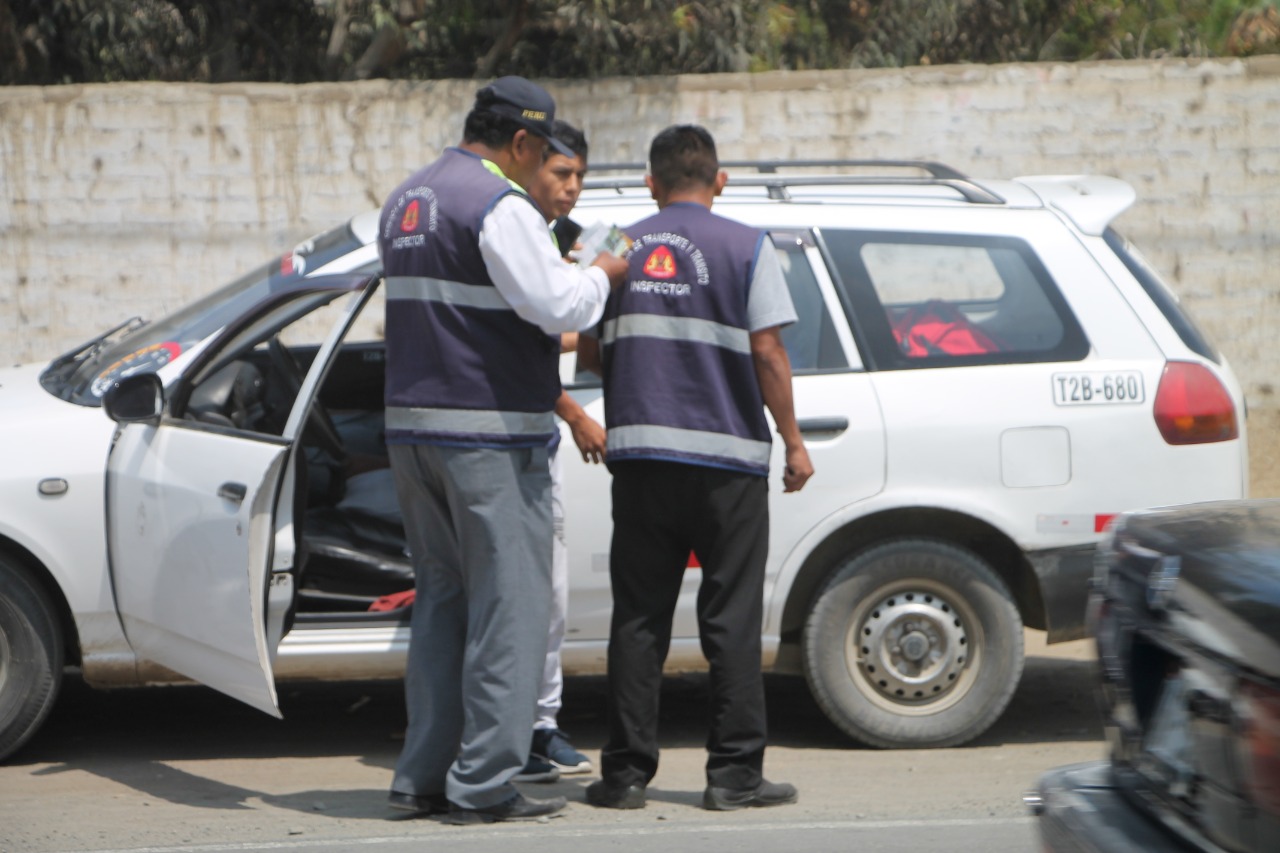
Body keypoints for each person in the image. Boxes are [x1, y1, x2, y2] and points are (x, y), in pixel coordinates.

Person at [378, 76, 627, 825]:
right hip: (487, 434)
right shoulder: (498, 202)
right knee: (509, 609)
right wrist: (605, 271)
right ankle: (484, 782)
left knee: (443, 604)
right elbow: (559, 304)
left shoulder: (408, 198)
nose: (544, 168)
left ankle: (421, 776)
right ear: (521, 143)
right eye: (542, 153)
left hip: (414, 432)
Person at [579, 124, 814, 812]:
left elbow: (588, 348)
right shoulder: (745, 244)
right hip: (728, 462)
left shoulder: (615, 244)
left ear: (650, 184)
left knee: (639, 618)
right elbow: (768, 350)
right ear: (719, 180)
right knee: (730, 618)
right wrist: (793, 440)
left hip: (643, 459)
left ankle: (623, 776)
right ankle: (734, 776)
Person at [516, 119, 600, 780]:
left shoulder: (573, 238)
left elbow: (566, 331)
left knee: (552, 592)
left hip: (543, 438)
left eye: (578, 177)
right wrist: (572, 410)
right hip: (525, 434)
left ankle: (539, 723)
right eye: (560, 175)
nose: (570, 190)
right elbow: (519, 347)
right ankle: (525, 726)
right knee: (533, 590)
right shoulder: (509, 236)